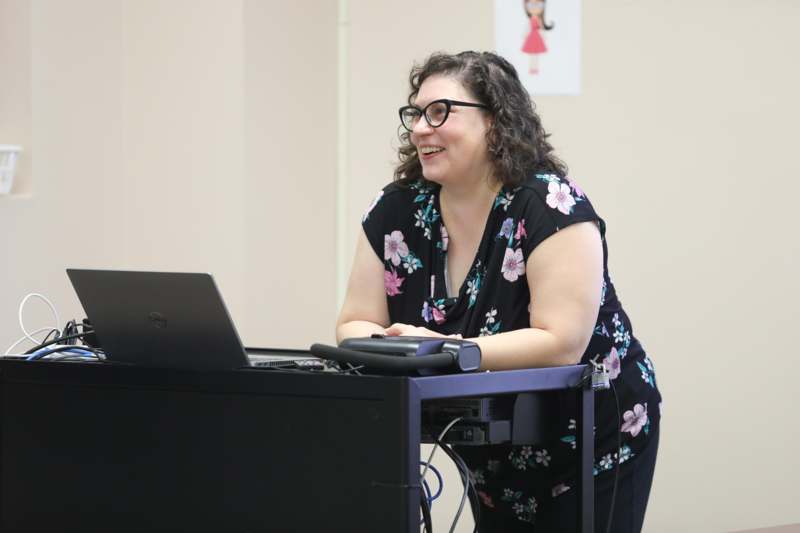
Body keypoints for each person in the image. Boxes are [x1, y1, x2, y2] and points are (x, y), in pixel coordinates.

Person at [336, 51, 661, 532]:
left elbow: (561, 340)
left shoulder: (549, 202)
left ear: (495, 121)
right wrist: (398, 348)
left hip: (592, 435)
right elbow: (353, 323)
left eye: (440, 111)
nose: (421, 128)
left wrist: (446, 350)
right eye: (415, 114)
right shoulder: (396, 210)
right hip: (492, 445)